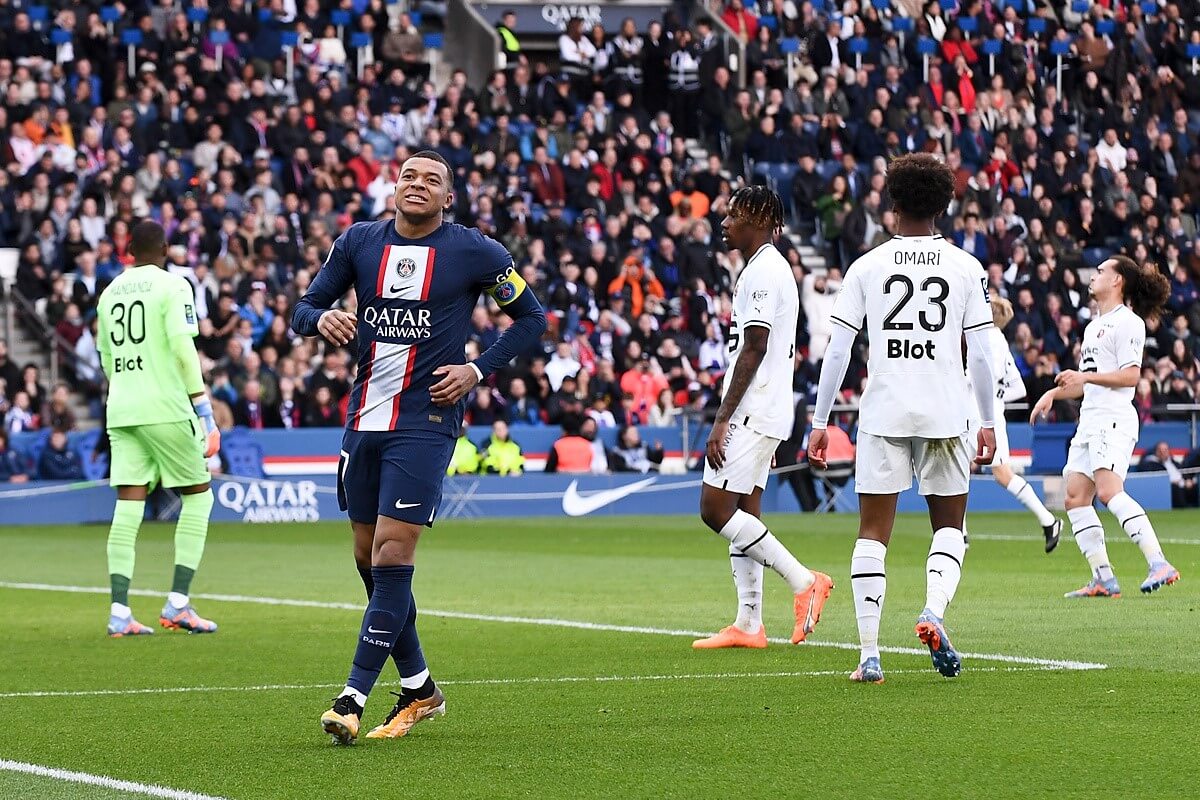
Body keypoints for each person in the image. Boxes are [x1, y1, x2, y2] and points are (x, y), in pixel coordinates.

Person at [291, 151, 547, 744]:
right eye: (409, 175)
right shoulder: (357, 242)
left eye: (432, 180)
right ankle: (420, 687)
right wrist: (319, 320)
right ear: (393, 185)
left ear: (448, 198)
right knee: (368, 559)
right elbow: (304, 308)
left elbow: (531, 319)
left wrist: (477, 370)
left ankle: (351, 698)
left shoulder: (476, 251)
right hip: (365, 417)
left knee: (392, 555)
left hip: (427, 420)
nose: (418, 185)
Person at [809, 154, 997, 684]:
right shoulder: (965, 267)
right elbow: (981, 354)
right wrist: (987, 421)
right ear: (944, 205)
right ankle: (932, 611)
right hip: (945, 409)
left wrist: (821, 420)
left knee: (872, 532)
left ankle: (869, 655)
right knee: (950, 527)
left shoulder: (866, 266)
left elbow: (838, 348)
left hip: (885, 407)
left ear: (892, 203)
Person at [692, 186, 834, 651]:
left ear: (755, 218)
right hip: (769, 406)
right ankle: (749, 623)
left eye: (732, 215)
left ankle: (803, 580)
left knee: (715, 510)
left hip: (753, 407)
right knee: (747, 511)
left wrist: (722, 418)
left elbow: (753, 347)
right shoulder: (770, 268)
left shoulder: (763, 272)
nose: (724, 223)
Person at [95, 220, 221, 638]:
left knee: (127, 508)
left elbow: (106, 358)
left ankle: (118, 612)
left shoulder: (110, 292)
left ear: (129, 250)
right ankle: (179, 603)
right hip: (165, 407)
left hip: (122, 409)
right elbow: (184, 348)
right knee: (198, 497)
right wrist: (203, 410)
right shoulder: (173, 285)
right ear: (165, 248)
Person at [1030, 256, 1180, 598]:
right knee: (1075, 498)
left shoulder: (1128, 323)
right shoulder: (1093, 325)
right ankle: (1103, 577)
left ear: (1117, 282)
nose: (1094, 275)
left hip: (1113, 418)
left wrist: (1084, 377)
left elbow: (1130, 375)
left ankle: (1159, 561)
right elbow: (1088, 382)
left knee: (1110, 491)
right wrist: (1055, 392)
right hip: (1091, 419)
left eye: (1101, 271)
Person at [974, 297, 1062, 550]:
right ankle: (961, 534)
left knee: (998, 473)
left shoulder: (984, 338)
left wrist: (988, 395)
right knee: (972, 470)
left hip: (981, 418)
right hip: (987, 416)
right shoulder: (999, 340)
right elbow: (1017, 387)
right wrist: (997, 395)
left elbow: (972, 375)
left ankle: (1048, 520)